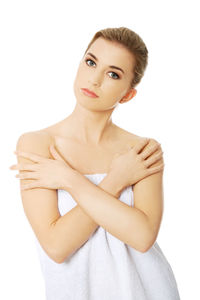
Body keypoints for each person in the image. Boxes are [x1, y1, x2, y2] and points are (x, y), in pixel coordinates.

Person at [10, 27, 181, 299]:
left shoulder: (141, 150)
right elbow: (56, 246)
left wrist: (68, 179)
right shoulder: (36, 144)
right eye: (91, 62)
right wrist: (118, 179)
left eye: (113, 74)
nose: (95, 79)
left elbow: (142, 237)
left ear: (127, 94)